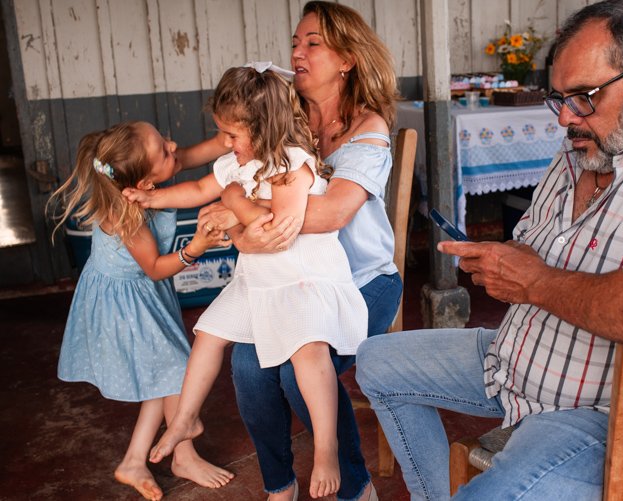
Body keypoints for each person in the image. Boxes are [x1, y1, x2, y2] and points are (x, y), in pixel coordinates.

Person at [355, 1, 623, 500]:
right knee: (375, 361)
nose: (565, 117)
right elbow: (535, 244)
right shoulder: (582, 148)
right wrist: (503, 261)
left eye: (584, 96)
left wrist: (537, 282)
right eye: (560, 98)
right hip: (517, 360)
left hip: (605, 414)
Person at [123, 64, 369, 499]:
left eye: (231, 135)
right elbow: (197, 190)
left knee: (308, 353)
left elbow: (276, 227)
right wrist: (151, 197)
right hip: (257, 280)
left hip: (302, 279)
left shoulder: (291, 164)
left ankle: (326, 448)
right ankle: (184, 419)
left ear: (261, 128)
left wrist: (234, 198)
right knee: (207, 335)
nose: (226, 143)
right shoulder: (236, 162)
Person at [195, 3, 402, 500]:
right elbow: (222, 150)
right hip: (292, 280)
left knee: (296, 367)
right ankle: (280, 486)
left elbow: (330, 214)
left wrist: (238, 208)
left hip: (364, 282)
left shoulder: (368, 129)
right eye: (295, 43)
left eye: (313, 43)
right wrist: (164, 166)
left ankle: (356, 488)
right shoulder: (283, 113)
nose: (297, 53)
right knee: (247, 366)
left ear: (347, 59)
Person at [49, 121, 235, 501]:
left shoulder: (149, 173)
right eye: (164, 150)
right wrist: (196, 247)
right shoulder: (124, 215)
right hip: (124, 302)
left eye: (164, 139)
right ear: (145, 184)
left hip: (143, 292)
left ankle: (135, 461)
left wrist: (230, 137)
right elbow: (155, 267)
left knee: (162, 375)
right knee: (178, 370)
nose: (173, 145)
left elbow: (204, 149)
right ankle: (183, 452)